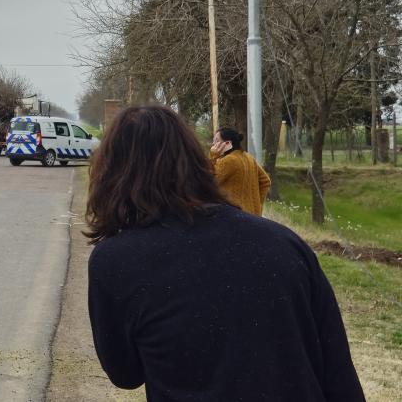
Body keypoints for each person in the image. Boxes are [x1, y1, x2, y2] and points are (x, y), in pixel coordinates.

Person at [86, 106, 365, 401]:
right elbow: (338, 373)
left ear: (111, 174)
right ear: (195, 161)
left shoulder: (114, 261)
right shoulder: (285, 243)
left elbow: (125, 374)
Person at [210, 126, 272, 216]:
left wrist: (213, 156)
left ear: (227, 144)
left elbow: (209, 182)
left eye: (216, 141)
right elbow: (266, 181)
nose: (213, 144)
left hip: (236, 217)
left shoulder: (229, 160)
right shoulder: (248, 157)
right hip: (252, 216)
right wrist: (258, 206)